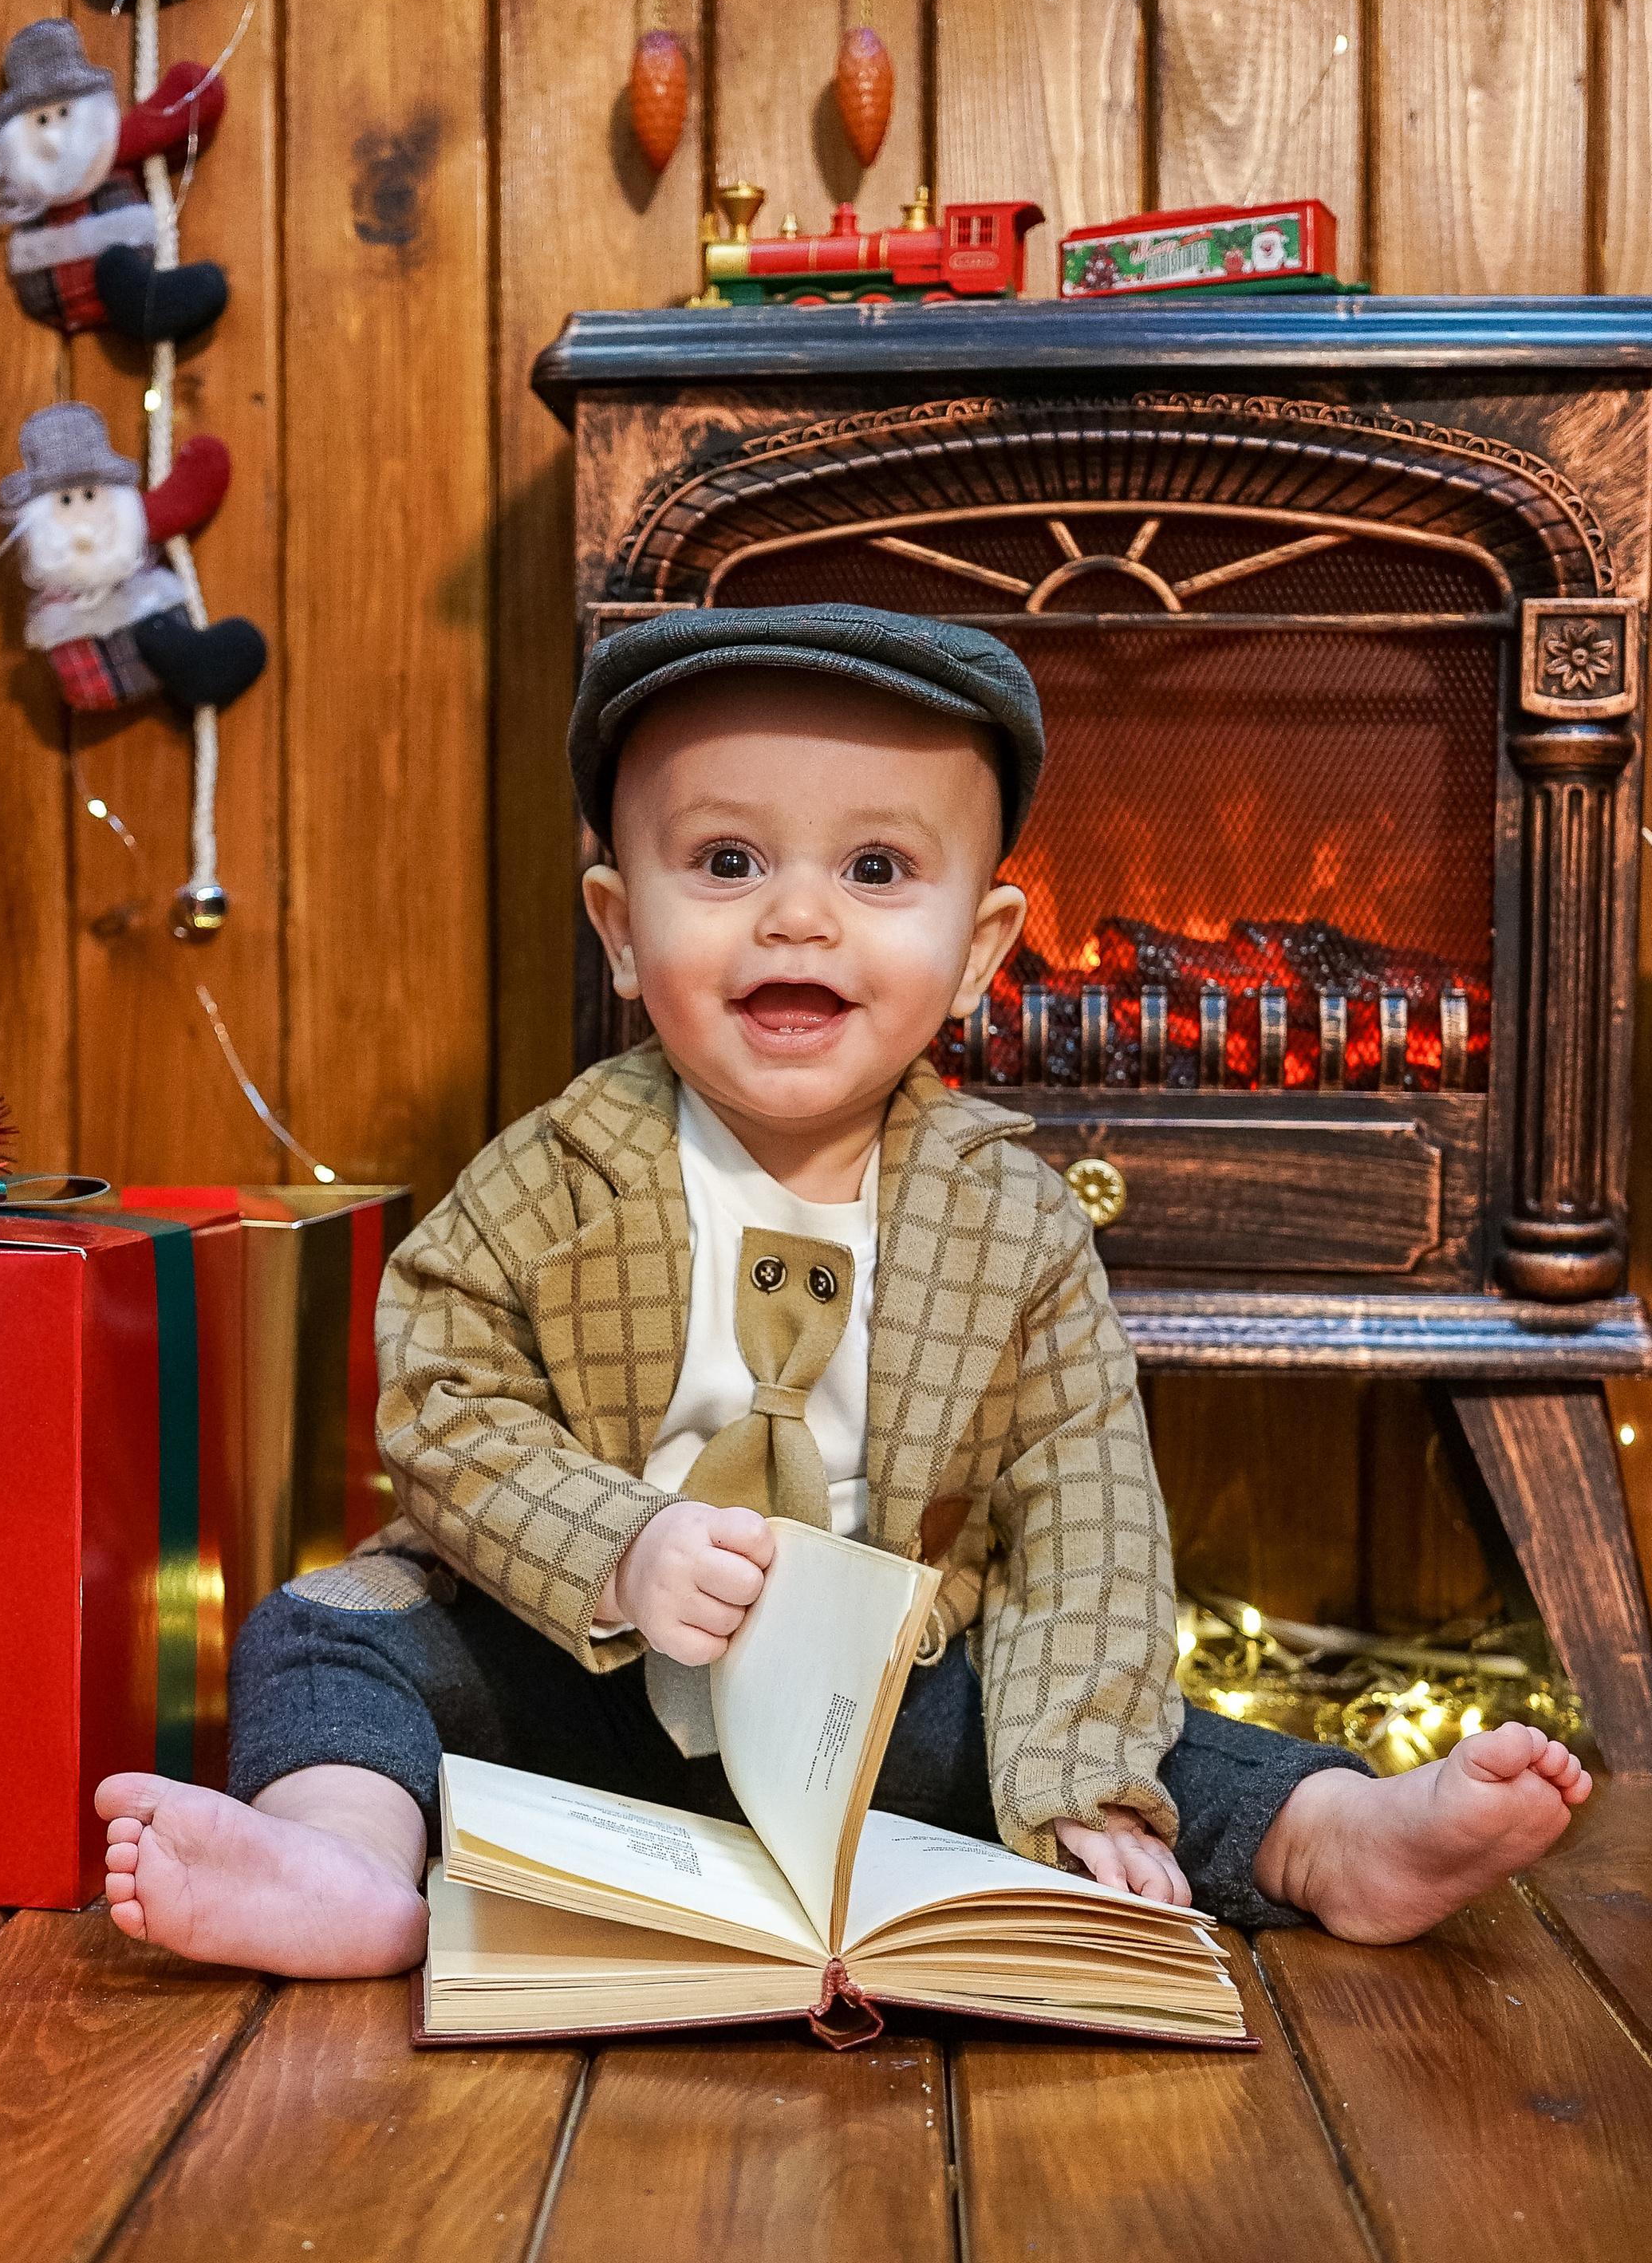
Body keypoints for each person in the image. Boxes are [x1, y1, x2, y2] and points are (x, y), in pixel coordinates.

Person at [95, 605, 1591, 1977]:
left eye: (875, 871)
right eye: (728, 863)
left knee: (1119, 1732)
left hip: (881, 1700)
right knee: (329, 1630)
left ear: (980, 952)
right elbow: (440, 1401)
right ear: (623, 929)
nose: (797, 918)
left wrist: (1078, 1777)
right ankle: (354, 1865)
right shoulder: (554, 1178)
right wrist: (618, 1547)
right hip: (579, 1672)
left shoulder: (1014, 1225)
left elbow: (1088, 1515)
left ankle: (1330, 1838)